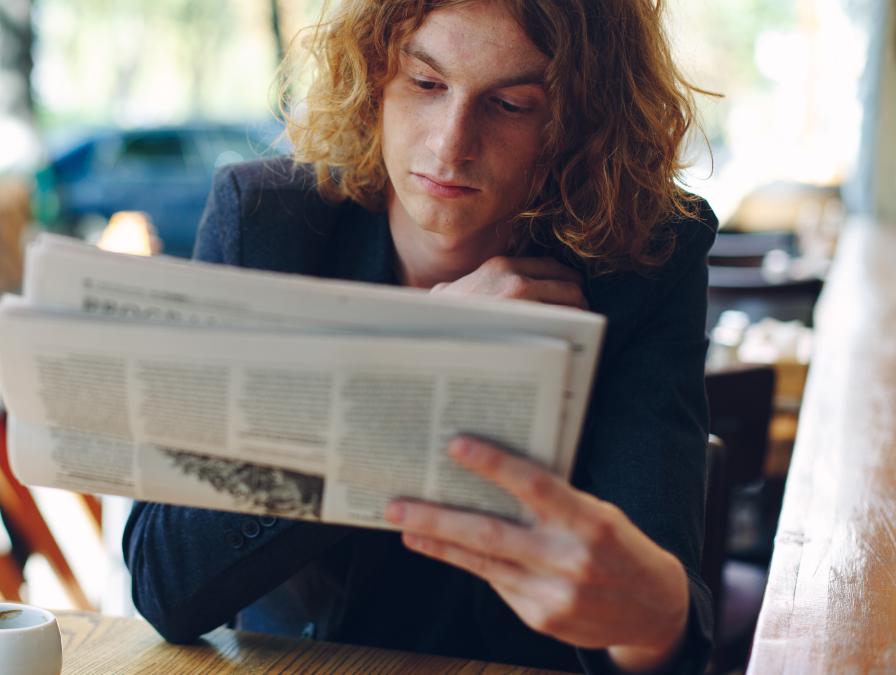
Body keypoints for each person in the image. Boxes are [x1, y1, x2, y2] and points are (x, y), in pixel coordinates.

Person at [124, 0, 717, 672]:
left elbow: (663, 619)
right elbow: (164, 581)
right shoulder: (266, 224)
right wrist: (411, 362)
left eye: (512, 104)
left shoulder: (644, 258)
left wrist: (650, 620)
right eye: (426, 84)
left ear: (580, 124)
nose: (450, 143)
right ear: (372, 77)